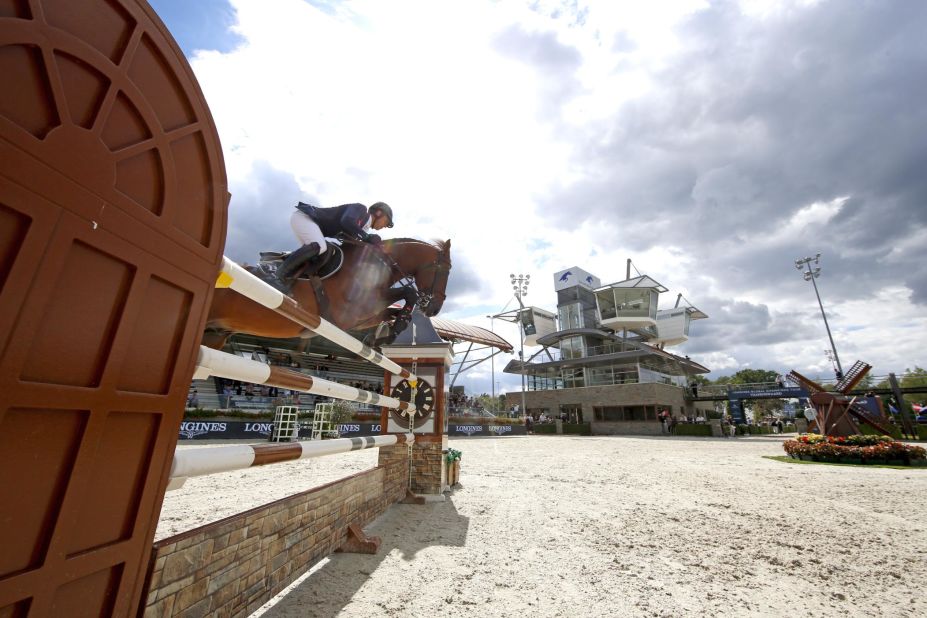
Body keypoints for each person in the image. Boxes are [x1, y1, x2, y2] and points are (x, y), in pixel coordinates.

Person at [276, 201, 394, 289]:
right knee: (320, 246)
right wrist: (367, 237)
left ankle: (290, 279)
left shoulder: (362, 228)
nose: (384, 226)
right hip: (305, 218)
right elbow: (346, 221)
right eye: (386, 221)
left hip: (312, 225)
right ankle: (277, 276)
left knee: (321, 255)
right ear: (379, 213)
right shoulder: (361, 209)